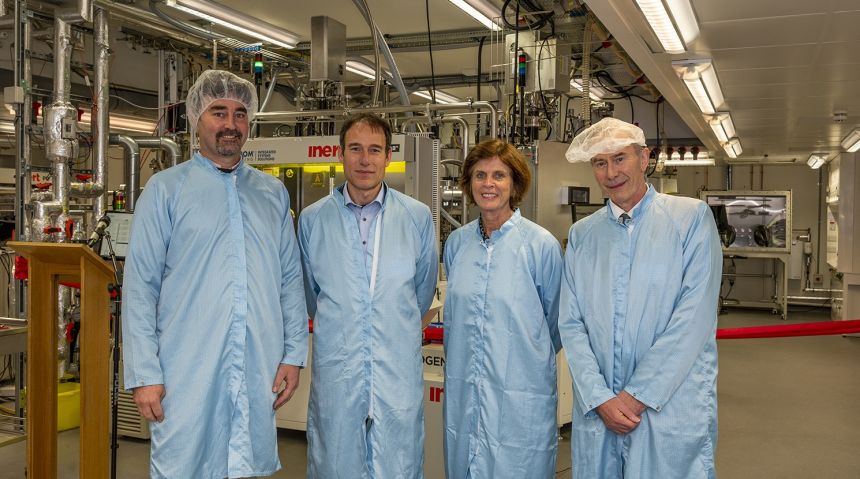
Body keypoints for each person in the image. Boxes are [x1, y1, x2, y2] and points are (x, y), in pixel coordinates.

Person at [122, 69, 308, 479]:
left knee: (245, 463)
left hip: (257, 362)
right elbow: (140, 288)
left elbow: (289, 280)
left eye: (240, 114)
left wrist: (293, 354)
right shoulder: (165, 190)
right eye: (218, 112)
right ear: (196, 119)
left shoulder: (271, 193)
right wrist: (144, 374)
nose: (230, 124)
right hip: (185, 367)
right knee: (183, 464)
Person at [559, 117, 722, 478]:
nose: (611, 172)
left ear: (644, 158)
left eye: (620, 158)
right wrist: (599, 396)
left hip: (667, 404)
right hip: (600, 406)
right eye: (600, 163)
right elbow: (570, 322)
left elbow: (693, 318)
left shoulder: (690, 219)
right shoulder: (583, 234)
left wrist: (636, 395)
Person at [298, 113, 438, 478]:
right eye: (355, 149)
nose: (365, 159)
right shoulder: (313, 220)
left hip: (396, 369)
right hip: (337, 367)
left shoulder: (417, 217)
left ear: (387, 156)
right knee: (334, 459)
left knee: (398, 461)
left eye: (374, 150)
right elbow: (312, 295)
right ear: (340, 154)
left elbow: (421, 294)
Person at [442, 139, 563, 478]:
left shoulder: (540, 246)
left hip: (521, 392)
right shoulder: (457, 244)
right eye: (480, 175)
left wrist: (517, 359)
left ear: (515, 183)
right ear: (469, 183)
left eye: (499, 175)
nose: (488, 184)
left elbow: (554, 326)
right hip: (465, 386)